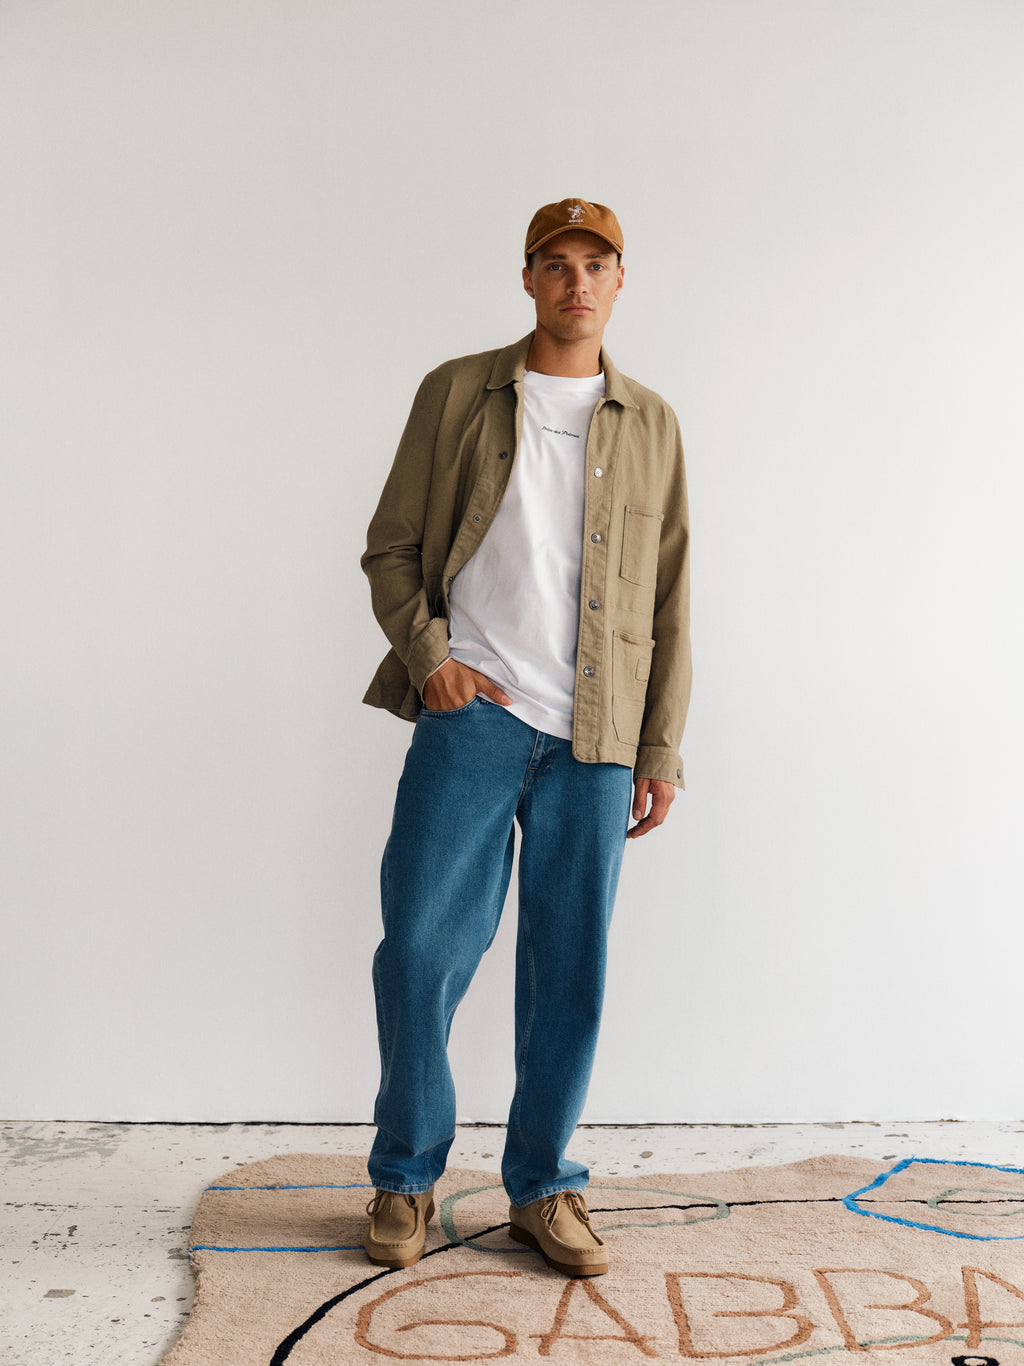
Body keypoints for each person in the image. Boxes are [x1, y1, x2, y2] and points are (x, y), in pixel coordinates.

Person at [360, 198, 691, 1278]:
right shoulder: (457, 391)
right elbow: (393, 548)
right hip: (476, 716)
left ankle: (543, 1186)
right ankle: (406, 1174)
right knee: (418, 952)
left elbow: (671, 597)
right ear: (528, 278)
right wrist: (430, 658)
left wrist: (659, 746)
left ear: (621, 280)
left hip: (595, 735)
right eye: (556, 264)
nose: (576, 283)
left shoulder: (651, 422)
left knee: (570, 973)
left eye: (597, 264)